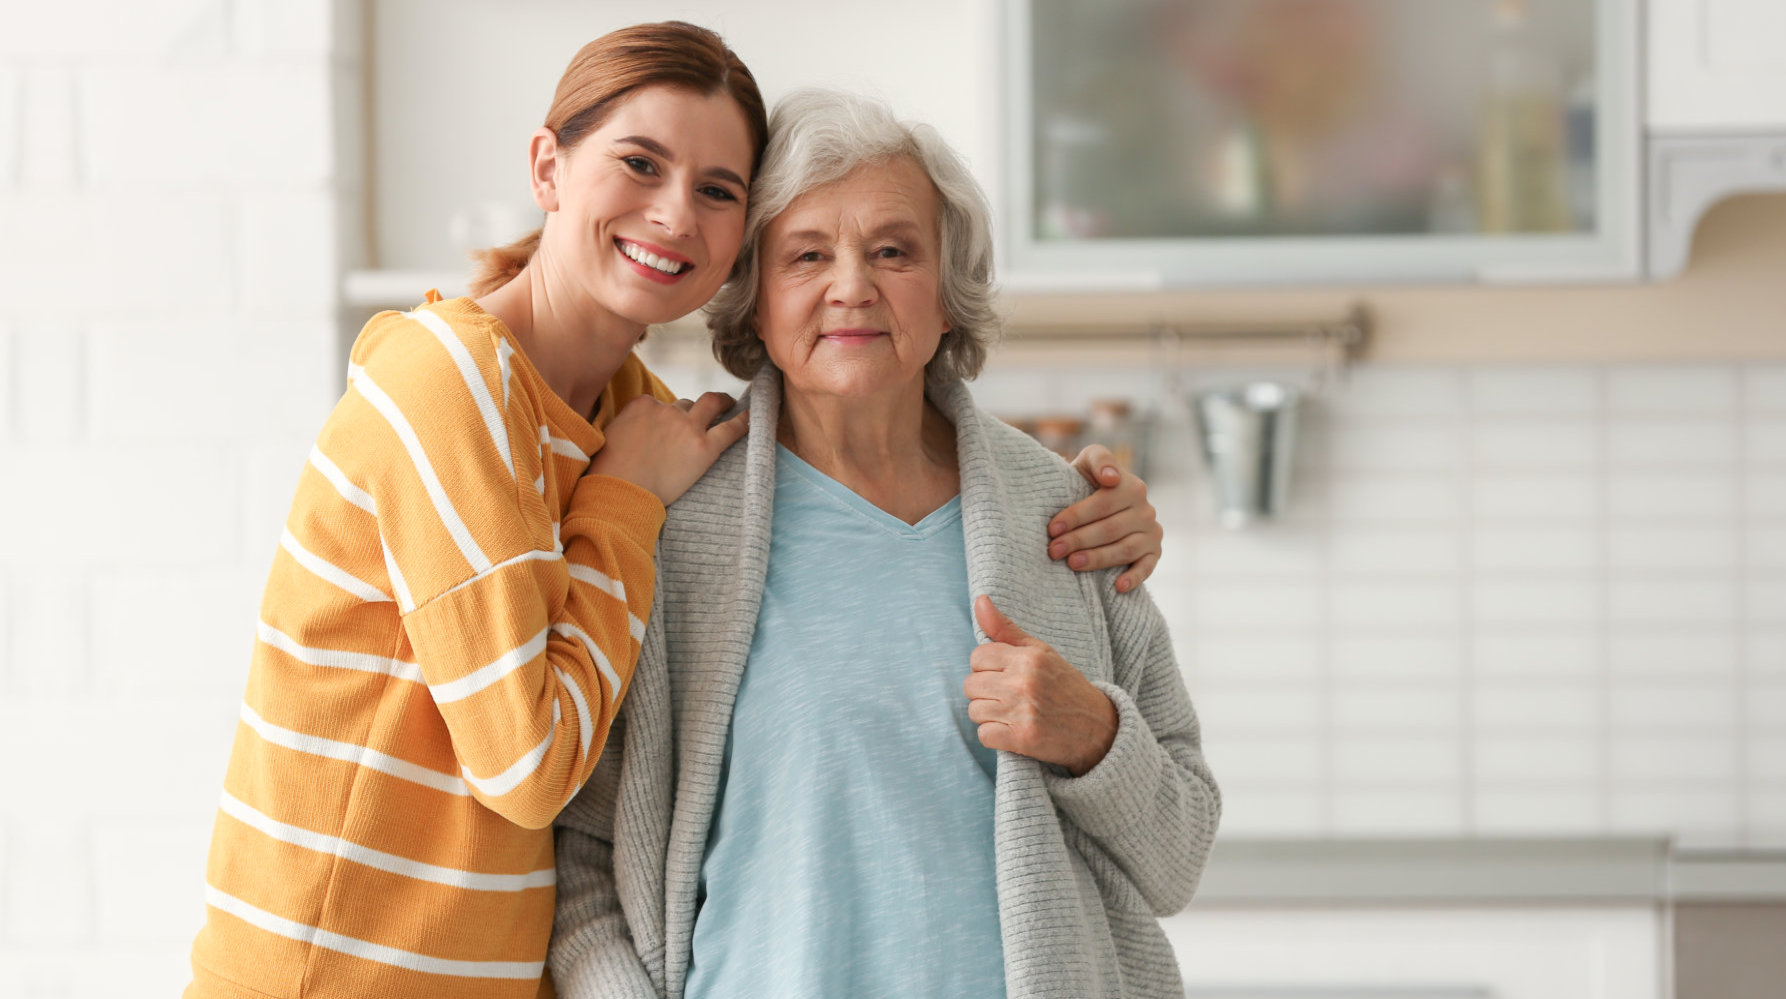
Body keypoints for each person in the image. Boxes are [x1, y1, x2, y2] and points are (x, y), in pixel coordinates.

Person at [186, 23, 1163, 999]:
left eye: (716, 191)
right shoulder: (455, 388)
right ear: (547, 166)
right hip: (330, 978)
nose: (672, 215)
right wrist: (624, 498)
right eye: (639, 164)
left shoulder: (631, 419)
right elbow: (535, 769)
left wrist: (1080, 501)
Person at [548, 89, 1219, 999]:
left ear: (948, 297)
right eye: (808, 254)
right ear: (752, 304)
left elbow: (1179, 856)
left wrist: (1094, 736)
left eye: (894, 251)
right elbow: (583, 856)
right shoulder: (673, 524)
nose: (852, 285)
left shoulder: (1067, 518)